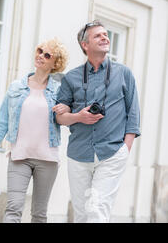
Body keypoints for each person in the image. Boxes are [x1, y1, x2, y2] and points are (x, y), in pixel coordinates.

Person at [56, 20, 141, 223]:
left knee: (97, 210)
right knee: (82, 213)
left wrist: (124, 149)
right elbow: (59, 116)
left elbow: (134, 114)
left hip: (112, 153)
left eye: (105, 34)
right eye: (98, 36)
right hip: (78, 154)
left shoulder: (124, 73)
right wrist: (79, 117)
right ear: (85, 45)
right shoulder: (71, 78)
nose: (105, 38)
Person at [0, 38, 70, 223]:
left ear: (55, 63)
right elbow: (3, 122)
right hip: (19, 157)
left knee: (39, 214)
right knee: (13, 209)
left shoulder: (59, 91)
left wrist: (67, 109)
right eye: (39, 51)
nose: (40, 56)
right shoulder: (16, 87)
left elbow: (66, 117)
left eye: (47, 55)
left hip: (47, 160)